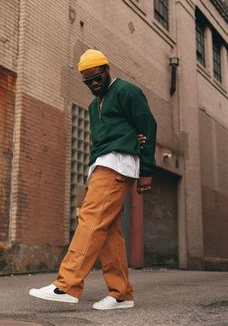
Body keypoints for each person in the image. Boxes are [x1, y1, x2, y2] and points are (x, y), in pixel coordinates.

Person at [29, 49, 157, 310]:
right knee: (108, 230)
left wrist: (146, 170)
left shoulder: (126, 91)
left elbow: (147, 126)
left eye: (97, 78)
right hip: (100, 166)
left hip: (117, 165)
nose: (93, 84)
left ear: (107, 69)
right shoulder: (92, 105)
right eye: (87, 81)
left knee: (90, 219)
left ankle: (67, 285)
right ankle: (121, 293)